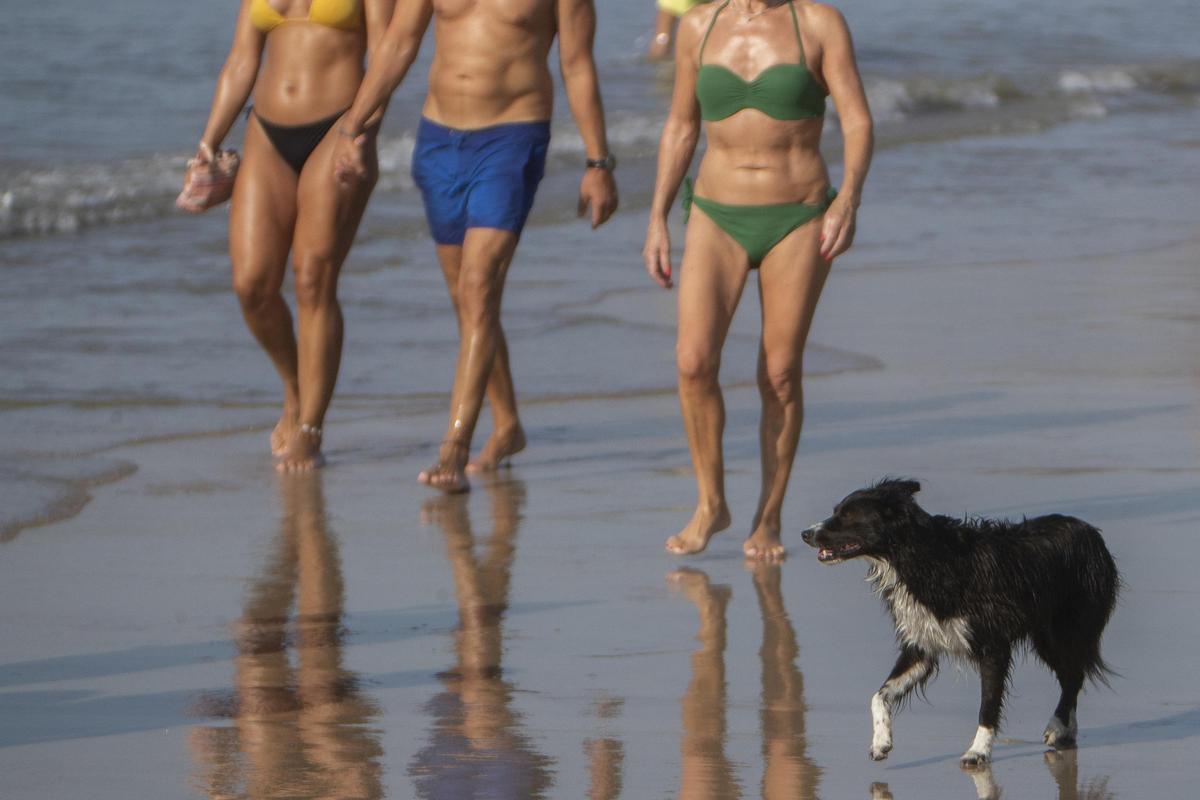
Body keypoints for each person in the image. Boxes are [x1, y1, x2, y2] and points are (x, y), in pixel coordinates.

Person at [333, 0, 618, 493]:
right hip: (437, 140)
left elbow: (576, 64)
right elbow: (399, 43)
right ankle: (507, 425)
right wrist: (352, 127)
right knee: (465, 298)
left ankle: (454, 445)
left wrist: (598, 163)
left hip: (512, 137)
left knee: (479, 286)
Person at [642, 0, 873, 559]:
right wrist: (656, 216)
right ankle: (709, 503)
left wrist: (848, 200)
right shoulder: (698, 25)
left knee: (780, 372)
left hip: (798, 214)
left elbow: (858, 118)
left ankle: (766, 519)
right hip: (715, 213)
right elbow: (681, 124)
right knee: (693, 360)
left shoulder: (817, 23)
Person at [188, 0, 395, 472]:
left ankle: (311, 429)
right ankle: (295, 387)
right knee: (253, 286)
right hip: (266, 130)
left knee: (312, 279)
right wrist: (208, 143)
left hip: (341, 128)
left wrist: (362, 133)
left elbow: (388, 51)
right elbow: (242, 59)